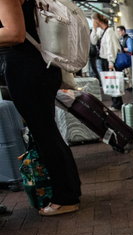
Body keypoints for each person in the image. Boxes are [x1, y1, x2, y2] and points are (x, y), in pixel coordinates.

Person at [0, 0, 81, 216]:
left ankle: (66, 197)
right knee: (47, 131)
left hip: (26, 68)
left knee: (44, 133)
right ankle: (69, 191)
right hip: (37, 66)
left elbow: (14, 33)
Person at [91, 13, 123, 110]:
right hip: (104, 59)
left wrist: (111, 62)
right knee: (110, 81)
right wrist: (94, 29)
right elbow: (93, 40)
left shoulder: (109, 32)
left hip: (109, 60)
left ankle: (117, 104)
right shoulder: (102, 32)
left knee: (113, 80)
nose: (92, 22)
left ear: (97, 20)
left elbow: (111, 48)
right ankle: (115, 103)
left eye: (93, 20)